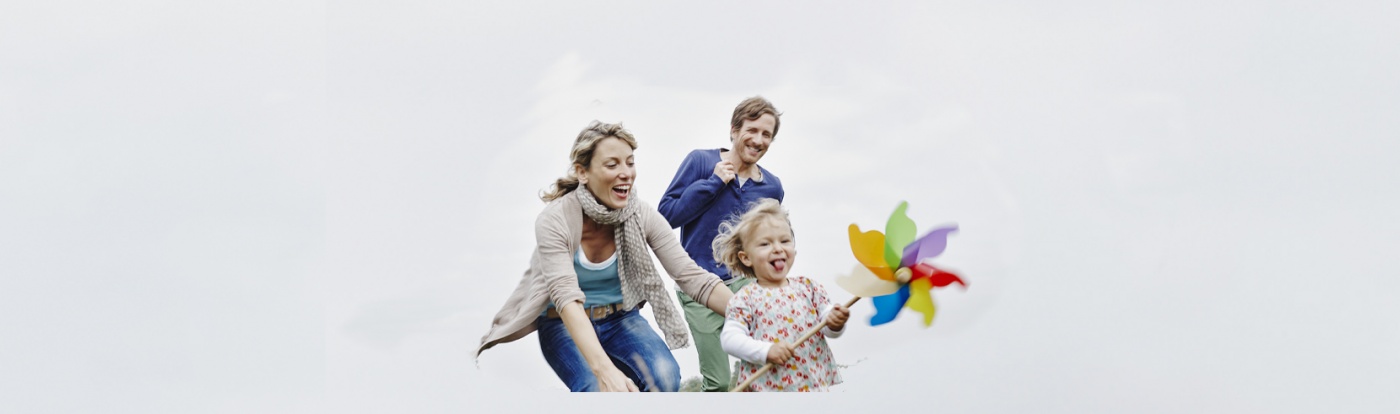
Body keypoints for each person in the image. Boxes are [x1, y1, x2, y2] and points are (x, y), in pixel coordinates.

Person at [475, 121, 733, 392]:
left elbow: (691, 276)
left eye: (630, 163)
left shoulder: (641, 215)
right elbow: (566, 298)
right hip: (561, 322)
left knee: (665, 378)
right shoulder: (554, 220)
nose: (626, 174)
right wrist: (604, 370)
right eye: (612, 165)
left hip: (620, 318)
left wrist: (754, 315)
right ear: (582, 172)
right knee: (595, 387)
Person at [658, 96, 785, 391]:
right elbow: (666, 216)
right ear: (734, 130)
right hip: (698, 285)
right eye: (752, 130)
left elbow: (773, 238)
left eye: (766, 134)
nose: (758, 139)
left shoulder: (772, 186)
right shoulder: (701, 162)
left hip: (745, 283)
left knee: (765, 368)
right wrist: (713, 184)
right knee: (716, 384)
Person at [714, 198, 850, 392]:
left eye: (785, 241)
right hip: (771, 390)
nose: (778, 248)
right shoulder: (745, 298)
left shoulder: (808, 287)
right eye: (765, 244)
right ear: (746, 258)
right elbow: (730, 339)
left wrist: (835, 321)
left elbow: (827, 324)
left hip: (813, 384)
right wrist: (766, 351)